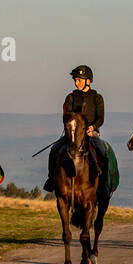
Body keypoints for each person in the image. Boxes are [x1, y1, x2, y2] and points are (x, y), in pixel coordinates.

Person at [43, 65, 109, 193]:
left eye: (79, 80)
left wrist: (93, 127)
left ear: (88, 81)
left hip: (91, 133)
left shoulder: (97, 98)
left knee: (102, 151)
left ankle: (103, 183)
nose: (76, 82)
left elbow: (100, 118)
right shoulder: (70, 97)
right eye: (75, 80)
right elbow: (66, 117)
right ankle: (51, 179)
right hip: (72, 134)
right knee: (54, 150)